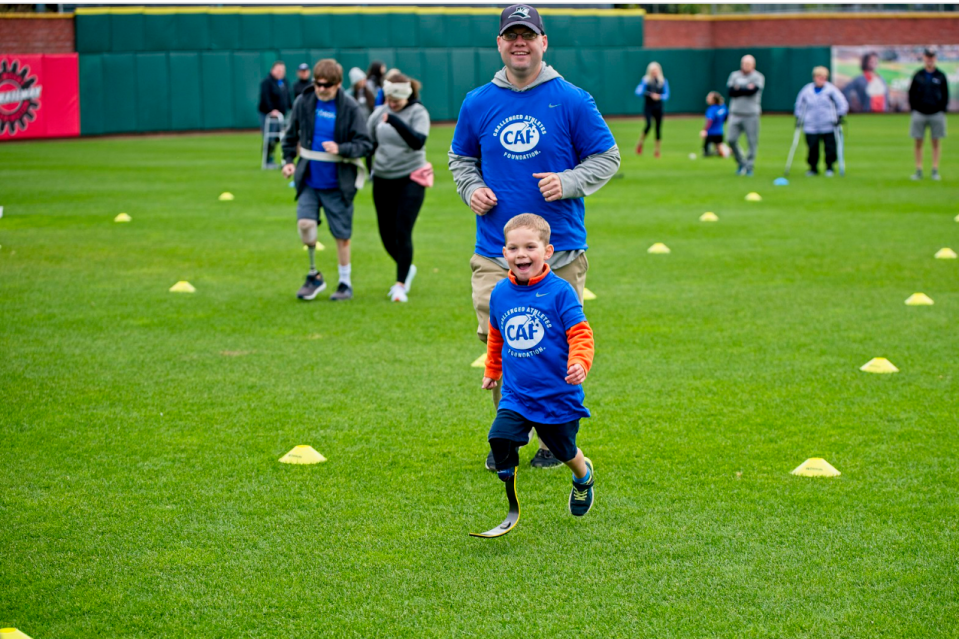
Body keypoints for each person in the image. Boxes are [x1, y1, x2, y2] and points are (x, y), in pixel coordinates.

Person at [449, 3, 620, 471]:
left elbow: (607, 157)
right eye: (511, 36)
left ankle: (553, 438)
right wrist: (471, 188)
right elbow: (460, 158)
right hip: (494, 250)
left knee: (554, 344)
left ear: (544, 42)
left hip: (559, 248)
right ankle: (509, 434)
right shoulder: (478, 101)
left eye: (528, 35)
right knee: (499, 341)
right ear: (500, 44)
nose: (519, 43)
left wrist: (567, 182)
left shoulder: (572, 99)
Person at [482, 214, 595, 517]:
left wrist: (580, 362)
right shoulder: (500, 294)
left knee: (565, 451)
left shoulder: (560, 292)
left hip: (557, 394)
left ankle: (583, 477)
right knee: (500, 437)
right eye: (514, 248)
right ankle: (509, 488)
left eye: (530, 247)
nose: (522, 254)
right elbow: (497, 335)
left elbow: (580, 333)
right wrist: (492, 370)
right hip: (517, 394)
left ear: (547, 251)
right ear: (504, 253)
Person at [281, 59, 373, 301]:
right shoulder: (304, 101)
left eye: (327, 85)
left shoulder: (350, 107)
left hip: (338, 183)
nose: (321, 89)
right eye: (317, 84)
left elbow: (365, 144)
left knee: (341, 235)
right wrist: (288, 161)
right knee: (305, 225)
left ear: (338, 84)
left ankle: (345, 283)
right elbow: (290, 136)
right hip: (309, 180)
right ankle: (314, 275)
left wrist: (341, 148)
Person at [368, 73, 431, 303]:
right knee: (386, 235)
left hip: (411, 177)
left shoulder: (418, 112)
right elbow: (368, 143)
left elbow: (417, 141)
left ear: (407, 95)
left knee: (402, 230)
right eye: (389, 99)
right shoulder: (378, 113)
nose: (392, 103)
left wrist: (394, 120)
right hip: (383, 179)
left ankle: (400, 285)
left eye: (397, 100)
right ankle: (407, 267)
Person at [794, 66, 848, 177]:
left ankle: (829, 167)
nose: (822, 79)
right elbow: (799, 105)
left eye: (824, 77)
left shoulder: (831, 90)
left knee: (830, 147)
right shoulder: (806, 90)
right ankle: (813, 168)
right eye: (819, 77)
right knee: (812, 147)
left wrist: (839, 115)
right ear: (814, 77)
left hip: (828, 124)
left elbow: (842, 103)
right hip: (811, 125)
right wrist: (799, 117)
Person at [908, 48, 949, 181]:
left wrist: (942, 108)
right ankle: (919, 169)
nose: (930, 59)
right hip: (919, 113)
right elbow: (911, 93)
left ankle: (935, 169)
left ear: (935, 58)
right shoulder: (918, 74)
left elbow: (945, 94)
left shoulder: (940, 75)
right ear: (924, 58)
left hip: (936, 113)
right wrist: (914, 107)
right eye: (927, 56)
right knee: (918, 141)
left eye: (932, 57)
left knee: (935, 141)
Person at [726, 54, 765, 177]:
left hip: (751, 114)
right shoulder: (734, 75)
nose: (745, 66)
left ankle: (749, 166)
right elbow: (731, 92)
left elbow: (752, 91)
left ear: (753, 65)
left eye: (748, 64)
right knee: (731, 139)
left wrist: (740, 89)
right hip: (735, 113)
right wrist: (744, 88)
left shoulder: (758, 77)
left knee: (752, 141)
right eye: (744, 63)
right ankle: (741, 162)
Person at [258, 61, 292, 169]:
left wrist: (292, 108)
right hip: (268, 115)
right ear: (273, 70)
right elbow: (265, 97)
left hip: (281, 115)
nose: (280, 72)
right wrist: (271, 110)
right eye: (278, 70)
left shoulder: (284, 82)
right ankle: (267, 159)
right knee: (269, 137)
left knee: (279, 137)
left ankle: (274, 159)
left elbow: (287, 97)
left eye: (282, 71)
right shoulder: (266, 82)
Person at [634, 61, 670, 157]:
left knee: (658, 128)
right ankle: (640, 143)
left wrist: (659, 97)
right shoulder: (646, 80)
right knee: (649, 125)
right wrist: (649, 94)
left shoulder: (662, 81)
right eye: (652, 70)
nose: (654, 72)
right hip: (648, 106)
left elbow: (666, 95)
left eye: (656, 70)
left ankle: (657, 151)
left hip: (658, 106)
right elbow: (638, 92)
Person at [701, 91, 728, 157]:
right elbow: (726, 117)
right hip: (720, 132)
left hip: (711, 133)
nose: (707, 98)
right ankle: (729, 150)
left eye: (709, 97)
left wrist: (705, 130)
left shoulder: (711, 109)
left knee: (705, 152)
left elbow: (710, 120)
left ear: (713, 100)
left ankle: (724, 152)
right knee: (719, 148)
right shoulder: (723, 107)